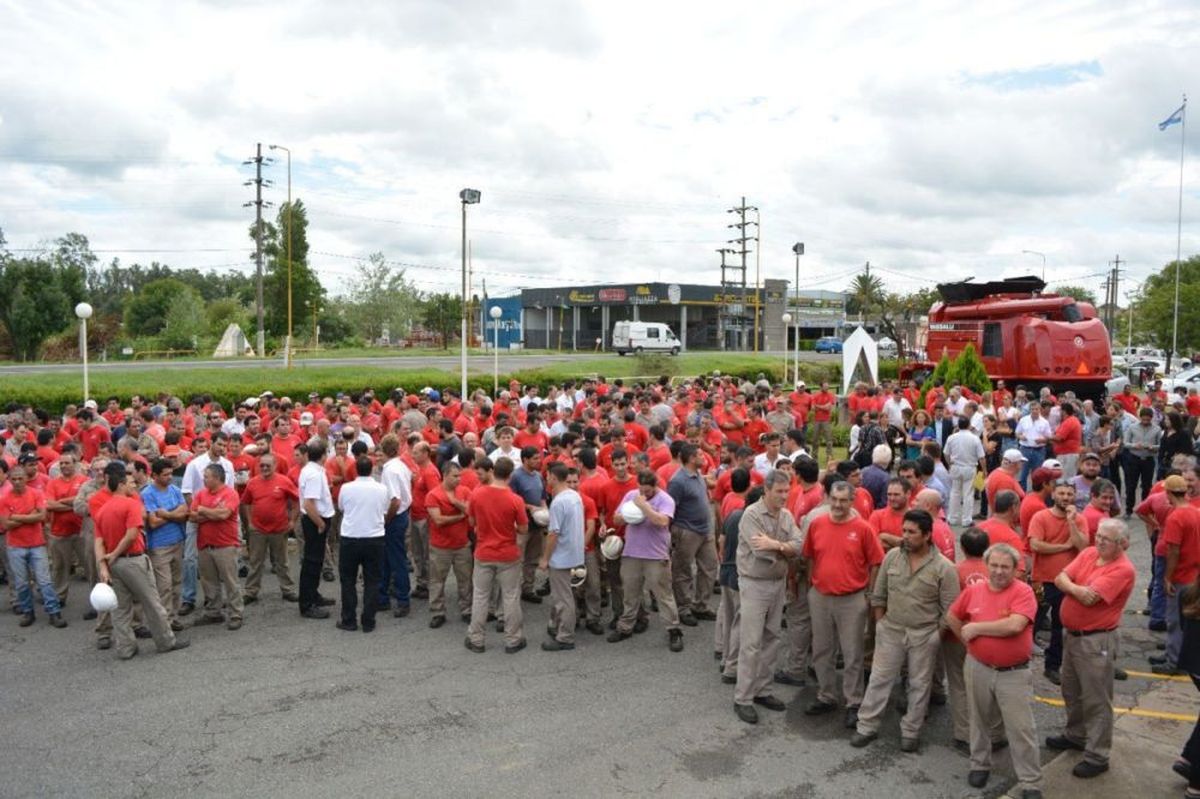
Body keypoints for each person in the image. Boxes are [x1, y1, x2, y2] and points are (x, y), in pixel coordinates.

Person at [852, 509, 959, 751]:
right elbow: (879, 595)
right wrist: (881, 625)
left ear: (927, 535)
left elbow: (950, 610)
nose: (905, 536)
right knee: (879, 679)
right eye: (904, 531)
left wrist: (935, 637)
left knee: (919, 684)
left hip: (924, 634)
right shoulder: (892, 557)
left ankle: (911, 731)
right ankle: (866, 726)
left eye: (912, 532)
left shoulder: (945, 568)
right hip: (891, 630)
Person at [946, 542, 1043, 799]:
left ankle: (1030, 782)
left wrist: (976, 629)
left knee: (1021, 728)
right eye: (994, 566)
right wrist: (969, 644)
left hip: (1014, 673)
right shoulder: (974, 590)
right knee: (978, 720)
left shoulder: (1023, 592)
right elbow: (953, 616)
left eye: (1005, 567)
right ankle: (979, 764)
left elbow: (1015, 625)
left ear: (1015, 569)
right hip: (978, 667)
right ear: (986, 566)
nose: (999, 571)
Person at [1045, 518, 1136, 779]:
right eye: (1098, 536)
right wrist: (1074, 587)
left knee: (1097, 699)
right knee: (1071, 690)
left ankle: (1097, 755)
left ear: (1123, 544)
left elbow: (1090, 597)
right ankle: (1076, 735)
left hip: (1096, 641)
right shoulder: (1088, 553)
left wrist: (1068, 585)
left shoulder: (1123, 570)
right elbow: (1060, 578)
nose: (1099, 542)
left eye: (1106, 539)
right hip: (1072, 636)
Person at [803, 481, 884, 729]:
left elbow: (876, 562)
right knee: (821, 650)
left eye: (843, 500)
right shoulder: (817, 524)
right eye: (834, 500)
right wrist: (812, 586)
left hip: (852, 600)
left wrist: (869, 593)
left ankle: (853, 702)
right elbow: (809, 557)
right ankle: (826, 695)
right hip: (820, 597)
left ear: (852, 501)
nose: (837, 505)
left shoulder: (863, 528)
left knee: (852, 654)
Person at [93, 462, 188, 660]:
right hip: (133, 560)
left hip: (114, 564)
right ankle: (165, 641)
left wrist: (104, 563)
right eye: (130, 482)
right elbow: (131, 534)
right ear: (121, 483)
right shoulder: (131, 504)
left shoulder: (103, 509)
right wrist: (116, 553)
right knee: (152, 603)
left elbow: (98, 541)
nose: (134, 486)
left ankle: (126, 648)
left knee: (120, 608)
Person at [731, 470, 803, 724]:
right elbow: (762, 553)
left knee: (772, 638)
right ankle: (743, 698)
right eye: (779, 492)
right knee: (751, 643)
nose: (784, 496)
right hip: (755, 584)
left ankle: (763, 690)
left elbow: (798, 545)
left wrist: (777, 545)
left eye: (787, 491)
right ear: (767, 491)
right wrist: (784, 549)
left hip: (777, 584)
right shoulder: (751, 515)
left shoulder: (786, 515)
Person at [609, 470, 684, 652]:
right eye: (641, 490)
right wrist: (628, 514)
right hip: (632, 553)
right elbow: (616, 519)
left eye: (648, 491)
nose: (644, 494)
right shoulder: (631, 495)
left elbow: (662, 521)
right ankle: (626, 626)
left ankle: (674, 630)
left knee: (663, 595)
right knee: (630, 593)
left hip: (656, 556)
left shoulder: (665, 500)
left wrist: (644, 507)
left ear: (655, 486)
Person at [1028, 480, 1090, 685]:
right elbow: (1036, 545)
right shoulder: (1041, 517)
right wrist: (1064, 547)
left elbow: (1082, 547)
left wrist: (1072, 522)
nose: (1065, 498)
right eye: (1061, 493)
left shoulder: (1079, 519)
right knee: (1032, 621)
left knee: (1059, 625)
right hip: (1044, 580)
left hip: (1068, 581)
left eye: (1069, 494)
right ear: (1053, 495)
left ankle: (1052, 665)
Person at [465, 456, 529, 654]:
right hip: (508, 554)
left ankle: (476, 639)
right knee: (510, 596)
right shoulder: (515, 500)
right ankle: (513, 639)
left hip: (484, 552)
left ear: (493, 471)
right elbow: (524, 529)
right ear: (510, 476)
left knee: (481, 596)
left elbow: (471, 522)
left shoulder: (477, 494)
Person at [0, 466, 66, 627]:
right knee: (21, 583)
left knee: (44, 581)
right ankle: (28, 612)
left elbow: (42, 516)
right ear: (9, 479)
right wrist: (30, 515)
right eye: (13, 479)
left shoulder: (35, 493)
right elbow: (6, 524)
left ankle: (54, 612)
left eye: (20, 478)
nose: (17, 482)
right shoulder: (4, 499)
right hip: (15, 546)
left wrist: (15, 516)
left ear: (25, 479)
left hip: (37, 544)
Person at [336, 455, 389, 632]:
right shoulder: (381, 489)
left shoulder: (346, 488)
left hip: (351, 536)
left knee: (348, 580)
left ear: (356, 469)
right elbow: (384, 509)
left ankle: (349, 619)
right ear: (372, 469)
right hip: (374, 537)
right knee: (372, 580)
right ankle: (369, 620)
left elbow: (341, 507)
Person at [190, 463, 244, 631]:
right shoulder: (200, 494)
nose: (203, 479)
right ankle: (214, 612)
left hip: (225, 544)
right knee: (209, 581)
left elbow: (224, 514)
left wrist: (203, 511)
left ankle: (236, 614)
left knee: (230, 580)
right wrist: (212, 513)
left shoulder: (230, 493)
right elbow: (192, 516)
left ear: (217, 478)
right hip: (205, 545)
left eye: (206, 476)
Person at [239, 453, 299, 604]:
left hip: (279, 528)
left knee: (282, 561)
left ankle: (288, 590)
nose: (264, 468)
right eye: (262, 465)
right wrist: (250, 521)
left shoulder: (284, 481)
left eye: (268, 465)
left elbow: (296, 500)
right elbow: (245, 502)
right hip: (258, 529)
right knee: (255, 562)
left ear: (275, 466)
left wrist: (292, 520)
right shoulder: (252, 483)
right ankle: (251, 592)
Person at [668, 443, 717, 626]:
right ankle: (684, 608)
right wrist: (671, 536)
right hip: (686, 531)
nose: (703, 456)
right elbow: (671, 508)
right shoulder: (678, 481)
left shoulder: (698, 476)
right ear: (690, 459)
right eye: (699, 454)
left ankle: (701, 605)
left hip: (705, 530)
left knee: (709, 568)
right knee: (683, 571)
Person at [539, 462, 585, 651]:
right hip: (574, 552)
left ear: (554, 477)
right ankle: (558, 626)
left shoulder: (558, 502)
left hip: (561, 555)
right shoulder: (575, 496)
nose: (546, 479)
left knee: (563, 598)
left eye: (548, 476)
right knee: (566, 595)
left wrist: (545, 558)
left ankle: (565, 636)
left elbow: (553, 533)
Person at [1158, 475, 1200, 676]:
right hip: (1194, 574)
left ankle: (1173, 661)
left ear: (1168, 493)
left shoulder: (1175, 517)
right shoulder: (1195, 512)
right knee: (1187, 621)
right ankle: (1173, 654)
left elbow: (1173, 550)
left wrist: (1168, 577)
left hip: (1181, 575)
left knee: (1174, 620)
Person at [141, 458, 189, 630]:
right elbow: (153, 522)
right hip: (159, 547)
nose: (169, 477)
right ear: (154, 476)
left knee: (177, 584)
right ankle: (164, 622)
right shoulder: (148, 494)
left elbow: (185, 513)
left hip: (178, 541)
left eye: (170, 473)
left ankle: (173, 617)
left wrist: (166, 514)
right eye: (165, 474)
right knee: (164, 586)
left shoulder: (175, 490)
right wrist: (174, 513)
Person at [425, 461, 474, 628]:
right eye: (455, 476)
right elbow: (438, 520)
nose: (459, 479)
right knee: (437, 580)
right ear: (445, 475)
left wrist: (455, 502)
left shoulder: (465, 491)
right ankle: (437, 612)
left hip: (462, 545)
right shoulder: (433, 495)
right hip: (440, 547)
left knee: (465, 580)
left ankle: (466, 609)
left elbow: (470, 511)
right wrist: (459, 517)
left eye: (459, 475)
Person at [44, 451, 89, 606]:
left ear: (75, 464)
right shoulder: (53, 483)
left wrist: (62, 501)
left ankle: (97, 600)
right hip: (59, 532)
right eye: (61, 463)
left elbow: (86, 502)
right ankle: (59, 597)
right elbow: (49, 504)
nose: (63, 466)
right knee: (59, 568)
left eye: (67, 463)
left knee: (90, 567)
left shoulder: (84, 481)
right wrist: (74, 504)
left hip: (81, 531)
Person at [298, 441, 337, 620]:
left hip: (317, 519)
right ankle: (307, 604)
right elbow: (308, 503)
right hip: (315, 521)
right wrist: (320, 523)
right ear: (323, 455)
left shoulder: (313, 470)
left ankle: (313, 595)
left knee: (316, 560)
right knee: (312, 562)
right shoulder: (313, 474)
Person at [378, 434, 413, 618]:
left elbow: (395, 500)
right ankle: (382, 594)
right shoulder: (401, 465)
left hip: (395, 517)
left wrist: (386, 519)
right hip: (402, 515)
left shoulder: (390, 470)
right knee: (388, 556)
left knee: (396, 559)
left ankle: (402, 599)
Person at [944, 417, 986, 527]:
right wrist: (984, 470)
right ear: (968, 425)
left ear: (958, 425)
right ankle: (966, 519)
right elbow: (981, 457)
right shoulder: (975, 438)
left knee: (955, 492)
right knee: (968, 494)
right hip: (970, 467)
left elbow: (946, 453)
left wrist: (950, 463)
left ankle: (952, 518)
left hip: (956, 466)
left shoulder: (952, 437)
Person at [1122, 407, 1161, 515]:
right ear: (1140, 418)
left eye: (1147, 420)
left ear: (1151, 419)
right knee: (1131, 485)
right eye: (1143, 420)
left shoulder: (1156, 429)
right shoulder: (1132, 427)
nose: (1145, 422)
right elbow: (1125, 443)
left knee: (1147, 485)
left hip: (1148, 459)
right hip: (1134, 458)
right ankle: (1128, 509)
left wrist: (1152, 447)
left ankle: (1145, 508)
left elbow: (1160, 445)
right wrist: (1134, 445)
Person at [1014, 403, 1052, 488]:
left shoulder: (1045, 422)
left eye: (1036, 409)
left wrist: (1043, 440)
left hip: (1039, 450)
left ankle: (1035, 493)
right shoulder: (1023, 420)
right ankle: (1022, 494)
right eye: (1032, 409)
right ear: (1030, 410)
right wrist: (1020, 436)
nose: (1034, 411)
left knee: (1037, 474)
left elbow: (1049, 437)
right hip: (1025, 449)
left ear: (1040, 410)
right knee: (1023, 474)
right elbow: (1017, 433)